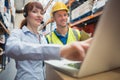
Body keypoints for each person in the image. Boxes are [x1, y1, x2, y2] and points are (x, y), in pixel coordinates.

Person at [4, 1, 92, 80]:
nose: (39, 15)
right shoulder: (18, 33)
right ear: (26, 15)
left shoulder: (42, 38)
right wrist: (61, 51)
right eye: (34, 12)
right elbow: (11, 48)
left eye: (41, 13)